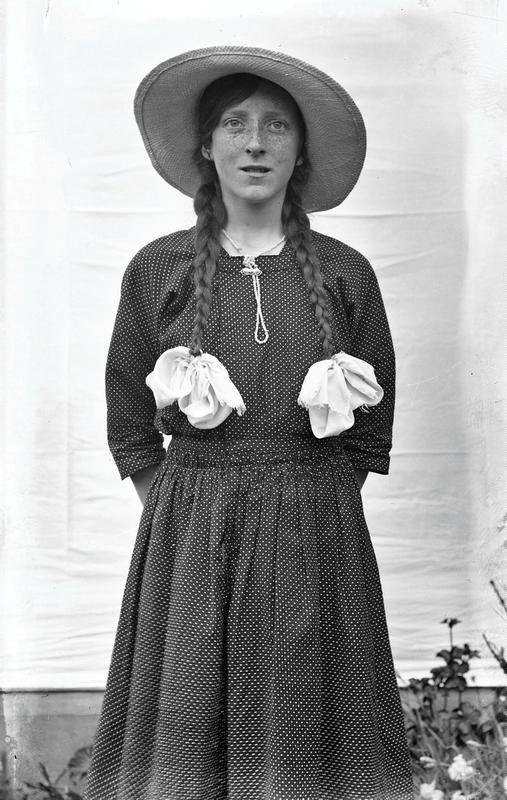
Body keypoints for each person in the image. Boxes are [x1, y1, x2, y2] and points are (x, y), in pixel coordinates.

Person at [83, 46, 414, 800]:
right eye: (234, 124)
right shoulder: (156, 269)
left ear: (300, 151)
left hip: (314, 525)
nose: (254, 142)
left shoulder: (345, 273)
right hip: (191, 523)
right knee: (188, 720)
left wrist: (305, 503)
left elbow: (370, 424)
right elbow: (129, 416)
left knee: (308, 718)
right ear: (206, 146)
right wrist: (184, 508)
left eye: (275, 126)